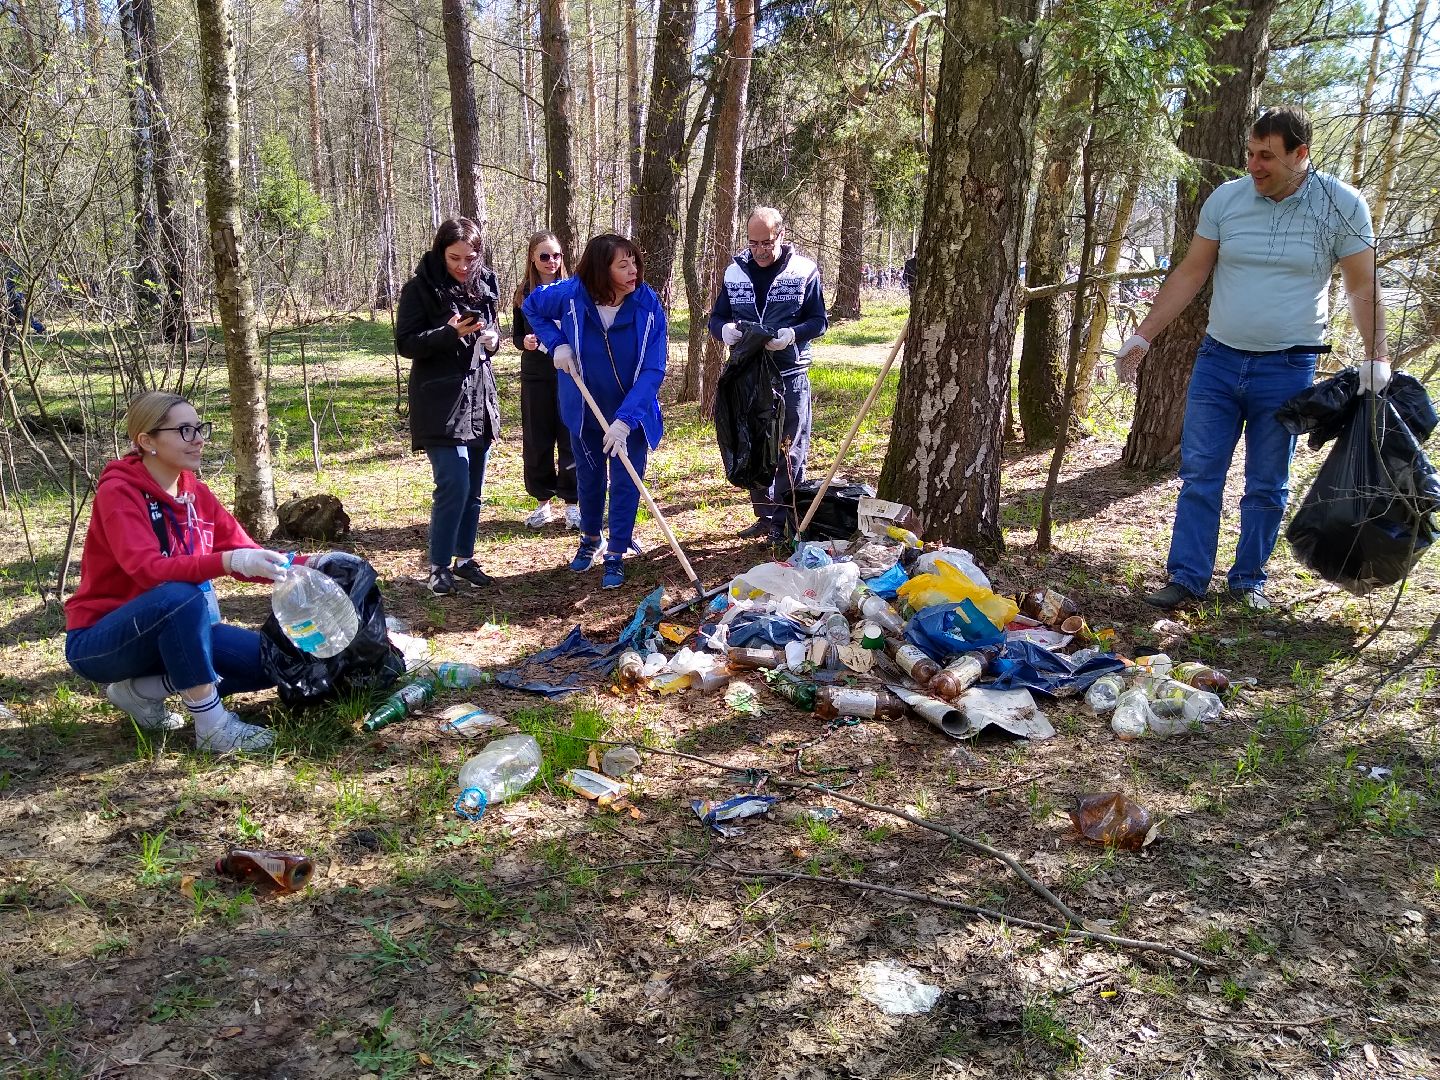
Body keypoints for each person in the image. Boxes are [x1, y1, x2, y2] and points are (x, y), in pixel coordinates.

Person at [1118, 106, 1387, 611]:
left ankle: (1247, 582)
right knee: (1200, 475)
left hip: (1287, 369)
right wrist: (1143, 335)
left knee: (1267, 483)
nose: (1254, 165)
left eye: (1267, 155)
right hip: (1218, 362)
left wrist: (1378, 357)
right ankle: (1187, 578)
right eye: (1249, 153)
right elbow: (1192, 272)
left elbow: (1362, 283)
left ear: (1300, 154)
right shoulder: (1227, 199)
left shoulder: (1342, 205)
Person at [64, 391, 297, 753]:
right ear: (147, 441)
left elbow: (246, 553)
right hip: (103, 641)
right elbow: (149, 571)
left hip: (176, 630)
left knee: (271, 662)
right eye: (185, 430)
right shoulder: (119, 492)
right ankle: (212, 725)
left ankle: (140, 691)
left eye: (200, 427)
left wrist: (311, 566)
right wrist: (227, 562)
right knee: (178, 594)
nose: (199, 438)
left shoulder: (197, 493)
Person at [521, 233, 667, 590]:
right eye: (623, 265)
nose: (633, 270)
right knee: (588, 477)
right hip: (584, 408)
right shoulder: (572, 294)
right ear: (602, 271)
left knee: (625, 480)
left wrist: (626, 419)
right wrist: (557, 344)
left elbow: (652, 370)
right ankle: (590, 538)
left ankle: (616, 550)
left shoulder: (647, 306)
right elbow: (531, 307)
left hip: (629, 413)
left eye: (634, 261)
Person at [708, 206, 828, 552]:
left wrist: (792, 334)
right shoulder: (735, 272)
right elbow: (716, 317)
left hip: (789, 373)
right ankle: (764, 515)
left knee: (789, 448)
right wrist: (724, 330)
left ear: (781, 235)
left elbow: (819, 320)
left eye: (766, 242)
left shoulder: (803, 271)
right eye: (753, 243)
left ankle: (788, 521)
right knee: (754, 444)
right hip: (747, 374)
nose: (759, 250)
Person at [395, 217, 502, 595]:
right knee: (453, 480)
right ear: (441, 252)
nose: (463, 265)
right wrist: (449, 332)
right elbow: (406, 343)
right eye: (455, 257)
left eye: (471, 258)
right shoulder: (419, 288)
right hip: (438, 399)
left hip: (479, 395)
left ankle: (464, 558)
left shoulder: (485, 282)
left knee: (473, 485)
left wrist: (491, 338)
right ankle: (438, 566)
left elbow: (495, 328)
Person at [512, 231, 581, 531]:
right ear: (532, 258)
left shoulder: (571, 290)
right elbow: (515, 335)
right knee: (537, 438)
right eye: (544, 256)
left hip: (568, 373)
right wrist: (524, 342)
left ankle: (573, 504)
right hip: (536, 374)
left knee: (569, 435)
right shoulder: (523, 293)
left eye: (556, 255)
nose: (551, 261)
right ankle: (542, 503)